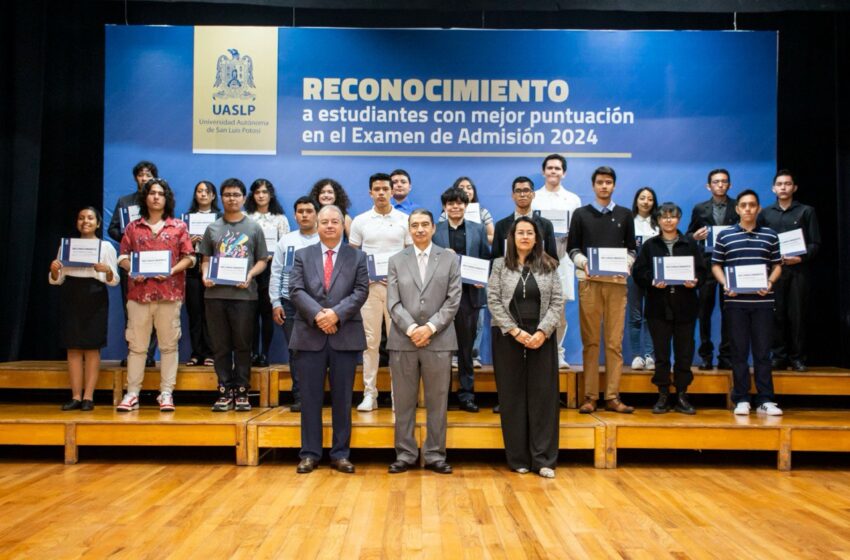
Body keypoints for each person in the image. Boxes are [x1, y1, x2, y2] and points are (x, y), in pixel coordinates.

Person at [289, 205, 369, 474]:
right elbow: (296, 290)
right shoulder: (302, 255)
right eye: (325, 222)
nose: (330, 226)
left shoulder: (357, 257)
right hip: (309, 335)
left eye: (335, 221)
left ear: (342, 225)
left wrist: (335, 314)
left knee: (343, 399)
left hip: (344, 335)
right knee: (309, 398)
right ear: (317, 225)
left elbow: (360, 292)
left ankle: (340, 453)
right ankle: (310, 453)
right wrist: (319, 315)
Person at [387, 209, 461, 474]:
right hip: (403, 341)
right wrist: (411, 329)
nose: (419, 229)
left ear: (433, 228)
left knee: (438, 401)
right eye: (414, 225)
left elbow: (453, 300)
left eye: (424, 225)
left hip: (439, 340)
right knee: (404, 401)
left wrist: (429, 328)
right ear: (409, 228)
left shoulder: (449, 259)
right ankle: (405, 453)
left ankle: (435, 455)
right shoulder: (396, 260)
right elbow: (393, 302)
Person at [489, 217, 563, 478]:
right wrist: (515, 331)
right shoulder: (499, 265)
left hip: (542, 336)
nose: (524, 237)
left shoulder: (550, 265)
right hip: (508, 336)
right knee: (512, 397)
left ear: (536, 238)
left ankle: (543, 459)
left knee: (543, 397)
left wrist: (542, 331)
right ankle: (518, 457)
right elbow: (494, 301)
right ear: (512, 237)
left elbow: (557, 303)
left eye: (529, 233)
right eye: (520, 232)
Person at [116, 178, 195, 412]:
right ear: (145, 197)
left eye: (161, 193)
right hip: (138, 295)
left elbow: (189, 258)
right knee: (137, 347)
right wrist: (134, 269)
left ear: (166, 198)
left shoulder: (178, 227)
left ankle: (166, 393)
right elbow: (122, 256)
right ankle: (132, 393)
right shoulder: (133, 227)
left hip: (169, 295)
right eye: (152, 193)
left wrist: (170, 271)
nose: (156, 197)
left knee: (169, 347)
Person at [568, 166, 637, 414]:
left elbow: (632, 249)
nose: (604, 186)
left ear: (614, 185)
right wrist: (584, 263)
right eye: (600, 182)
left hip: (617, 284)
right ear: (593, 185)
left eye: (608, 182)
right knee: (590, 342)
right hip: (589, 282)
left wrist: (626, 264)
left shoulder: (626, 214)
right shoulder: (580, 214)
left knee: (614, 342)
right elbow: (572, 249)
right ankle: (589, 397)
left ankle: (612, 396)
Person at [712, 190, 783, 416]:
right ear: (737, 209)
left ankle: (765, 399)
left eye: (752, 205)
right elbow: (716, 265)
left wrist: (770, 282)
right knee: (739, 352)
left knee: (763, 352)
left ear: (758, 208)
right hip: (735, 302)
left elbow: (777, 264)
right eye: (743, 205)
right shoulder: (725, 236)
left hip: (763, 301)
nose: (748, 209)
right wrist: (725, 284)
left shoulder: (770, 235)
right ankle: (741, 397)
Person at [200, 178, 269, 412]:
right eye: (227, 195)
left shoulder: (253, 227)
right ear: (221, 198)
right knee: (220, 346)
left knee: (242, 345)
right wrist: (205, 275)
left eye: (236, 195)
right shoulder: (213, 228)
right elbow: (206, 259)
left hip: (244, 296)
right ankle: (224, 389)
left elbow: (262, 260)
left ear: (243, 198)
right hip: (215, 295)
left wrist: (250, 274)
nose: (232, 198)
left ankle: (241, 390)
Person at [632, 202, 706, 414]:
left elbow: (702, 272)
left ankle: (682, 394)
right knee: (661, 354)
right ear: (658, 220)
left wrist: (695, 281)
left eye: (672, 217)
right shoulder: (650, 246)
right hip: (658, 307)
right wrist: (652, 280)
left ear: (678, 219)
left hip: (686, 307)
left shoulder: (690, 243)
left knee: (684, 353)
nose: (668, 220)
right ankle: (663, 394)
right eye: (663, 217)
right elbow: (639, 273)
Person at [349, 172, 412, 411]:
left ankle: (399, 395)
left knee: (397, 344)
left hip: (397, 292)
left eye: (386, 188)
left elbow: (410, 255)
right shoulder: (360, 221)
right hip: (369, 291)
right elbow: (353, 256)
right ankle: (370, 394)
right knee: (370, 344)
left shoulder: (404, 219)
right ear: (370, 192)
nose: (382, 193)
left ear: (392, 191)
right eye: (377, 189)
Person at [49, 207, 120, 411]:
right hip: (71, 294)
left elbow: (114, 280)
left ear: (98, 223)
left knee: (91, 347)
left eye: (90, 218)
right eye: (81, 218)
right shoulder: (66, 246)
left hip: (95, 295)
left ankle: (89, 396)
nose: (85, 221)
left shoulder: (105, 247)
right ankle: (76, 396)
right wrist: (54, 271)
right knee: (73, 347)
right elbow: (57, 279)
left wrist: (106, 271)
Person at [433, 187, 491, 413]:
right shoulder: (435, 231)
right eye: (450, 204)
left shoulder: (478, 229)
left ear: (466, 206)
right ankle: (441, 395)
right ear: (444, 207)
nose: (455, 207)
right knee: (441, 350)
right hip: (441, 298)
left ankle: (467, 395)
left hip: (469, 296)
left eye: (459, 203)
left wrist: (482, 278)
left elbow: (486, 259)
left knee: (466, 350)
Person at [758, 169, 821, 372]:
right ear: (773, 188)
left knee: (797, 314)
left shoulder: (806, 211)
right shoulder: (765, 213)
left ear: (794, 187)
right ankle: (778, 356)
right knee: (775, 314)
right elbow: (760, 242)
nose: (783, 187)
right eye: (780, 184)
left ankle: (797, 357)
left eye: (787, 184)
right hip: (775, 271)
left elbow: (815, 243)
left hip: (798, 271)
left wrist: (800, 258)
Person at [531, 154, 583, 370]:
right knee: (537, 306)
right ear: (543, 171)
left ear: (564, 173)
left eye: (557, 168)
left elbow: (578, 232)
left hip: (563, 259)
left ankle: (558, 353)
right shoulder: (534, 197)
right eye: (550, 168)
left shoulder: (573, 199)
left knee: (559, 308)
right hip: (537, 260)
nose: (553, 171)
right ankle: (539, 351)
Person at [270, 197, 320, 412]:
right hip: (290, 304)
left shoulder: (326, 239)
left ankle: (318, 395)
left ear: (316, 214)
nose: (305, 215)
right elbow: (276, 271)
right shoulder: (286, 241)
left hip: (320, 305)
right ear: (295, 214)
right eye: (300, 211)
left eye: (309, 211)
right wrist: (275, 302)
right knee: (296, 352)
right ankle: (300, 397)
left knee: (319, 351)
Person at [686, 169, 739, 370]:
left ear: (729, 185)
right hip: (706, 265)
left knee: (730, 312)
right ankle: (706, 355)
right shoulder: (700, 209)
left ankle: (726, 355)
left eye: (724, 181)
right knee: (704, 312)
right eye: (716, 182)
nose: (720, 185)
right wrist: (695, 237)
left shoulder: (738, 206)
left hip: (731, 265)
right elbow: (689, 234)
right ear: (709, 186)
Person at [107, 160, 159, 368]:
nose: (144, 178)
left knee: (155, 310)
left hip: (154, 262)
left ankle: (148, 355)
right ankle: (134, 353)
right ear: (136, 178)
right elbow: (112, 229)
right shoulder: (125, 201)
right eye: (141, 175)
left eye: (148, 175)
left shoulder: (159, 201)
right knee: (132, 310)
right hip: (130, 261)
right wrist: (130, 236)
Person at [245, 178, 290, 367]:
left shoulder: (280, 218)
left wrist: (273, 256)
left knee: (267, 313)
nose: (261, 195)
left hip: (272, 271)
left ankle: (264, 354)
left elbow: (286, 246)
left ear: (270, 195)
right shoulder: (246, 217)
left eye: (264, 192)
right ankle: (253, 352)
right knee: (251, 314)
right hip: (250, 270)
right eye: (257, 192)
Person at [184, 180, 220, 367]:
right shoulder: (186, 219)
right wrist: (189, 241)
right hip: (191, 270)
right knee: (194, 312)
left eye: (207, 191)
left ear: (213, 196)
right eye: (199, 191)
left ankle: (210, 353)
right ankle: (196, 352)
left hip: (214, 269)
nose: (203, 194)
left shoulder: (220, 218)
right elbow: (179, 245)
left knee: (211, 314)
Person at [627, 187, 660, 370]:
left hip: (654, 276)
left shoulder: (659, 223)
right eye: (642, 198)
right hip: (633, 274)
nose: (646, 202)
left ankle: (649, 355)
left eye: (649, 198)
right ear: (636, 200)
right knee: (635, 316)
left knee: (651, 316)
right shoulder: (629, 221)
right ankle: (636, 356)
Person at [492, 177, 558, 261]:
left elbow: (553, 260)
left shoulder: (546, 225)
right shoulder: (501, 225)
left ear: (533, 194)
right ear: (513, 195)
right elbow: (494, 259)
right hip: (509, 272)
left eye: (526, 190)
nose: (522, 195)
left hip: (538, 272)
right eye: (518, 191)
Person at [439, 177, 495, 244]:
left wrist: (473, 237)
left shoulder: (483, 212)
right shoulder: (445, 214)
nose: (465, 191)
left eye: (469, 188)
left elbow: (492, 238)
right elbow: (439, 237)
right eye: (461, 188)